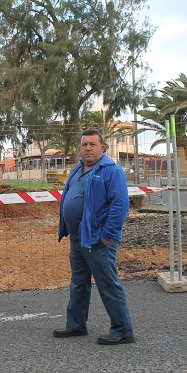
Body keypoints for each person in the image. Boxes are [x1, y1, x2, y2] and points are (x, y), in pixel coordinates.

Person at [54, 129, 135, 345]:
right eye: (84, 145)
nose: (87, 148)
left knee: (107, 283)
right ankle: (76, 324)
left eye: (92, 144)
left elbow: (120, 206)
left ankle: (122, 329)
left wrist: (106, 236)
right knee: (78, 283)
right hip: (77, 238)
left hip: (98, 239)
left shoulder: (111, 171)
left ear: (102, 148)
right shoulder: (77, 169)